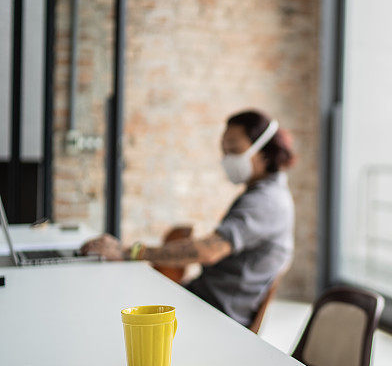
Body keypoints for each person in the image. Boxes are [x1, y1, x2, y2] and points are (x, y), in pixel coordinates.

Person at [81, 110, 296, 327]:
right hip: (203, 299)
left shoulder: (266, 202)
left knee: (116, 304)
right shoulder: (264, 194)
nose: (227, 159)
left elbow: (208, 251)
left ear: (265, 152)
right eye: (224, 152)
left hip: (215, 314)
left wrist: (130, 252)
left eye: (234, 150)